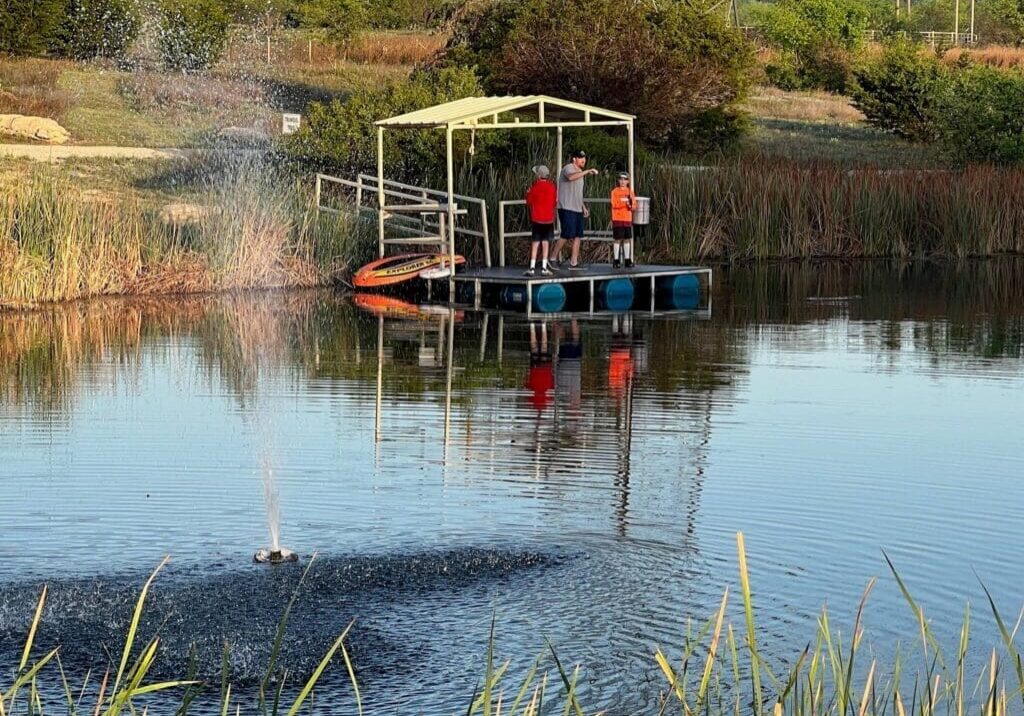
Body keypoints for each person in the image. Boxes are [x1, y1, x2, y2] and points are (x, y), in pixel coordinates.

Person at [554, 150, 598, 271]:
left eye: (584, 158)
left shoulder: (580, 173)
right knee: (566, 234)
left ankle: (574, 262)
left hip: (577, 208)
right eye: (580, 158)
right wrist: (587, 171)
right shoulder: (568, 168)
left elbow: (578, 193)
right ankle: (552, 258)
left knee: (578, 235)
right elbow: (571, 177)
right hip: (566, 207)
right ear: (574, 159)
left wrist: (583, 207)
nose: (583, 160)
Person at [524, 164, 556, 276]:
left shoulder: (535, 187)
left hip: (537, 219)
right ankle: (544, 268)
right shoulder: (552, 187)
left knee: (535, 243)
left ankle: (532, 268)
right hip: (548, 219)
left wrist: (528, 193)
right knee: (545, 243)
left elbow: (529, 202)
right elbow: (554, 202)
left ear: (538, 175)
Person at [609, 172, 638, 269]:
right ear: (618, 180)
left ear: (628, 181)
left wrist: (630, 205)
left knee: (627, 239)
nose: (622, 181)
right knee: (617, 239)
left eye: (625, 179)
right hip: (617, 218)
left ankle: (627, 260)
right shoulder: (614, 192)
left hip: (627, 219)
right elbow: (614, 204)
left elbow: (634, 206)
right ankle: (616, 260)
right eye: (621, 179)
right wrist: (624, 202)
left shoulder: (630, 192)